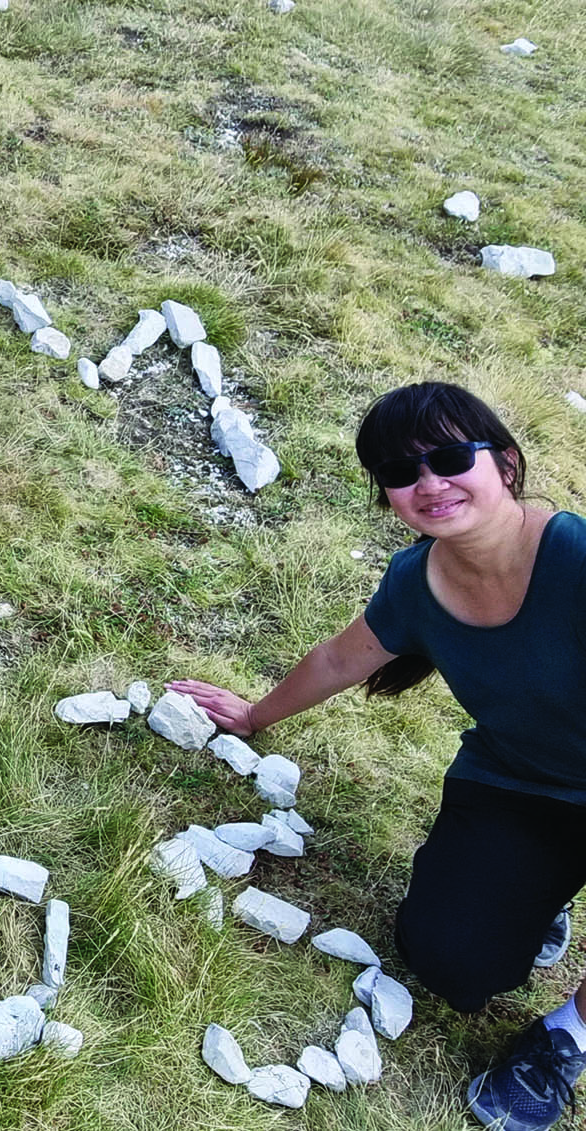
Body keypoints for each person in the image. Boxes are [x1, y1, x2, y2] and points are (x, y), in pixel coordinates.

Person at [173, 383, 586, 1131]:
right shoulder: (417, 580)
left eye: (453, 457)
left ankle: (567, 1037)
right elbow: (341, 658)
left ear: (508, 464)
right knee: (450, 962)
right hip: (517, 784)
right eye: (401, 472)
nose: (429, 482)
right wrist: (255, 714)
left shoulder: (576, 559)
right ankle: (542, 891)